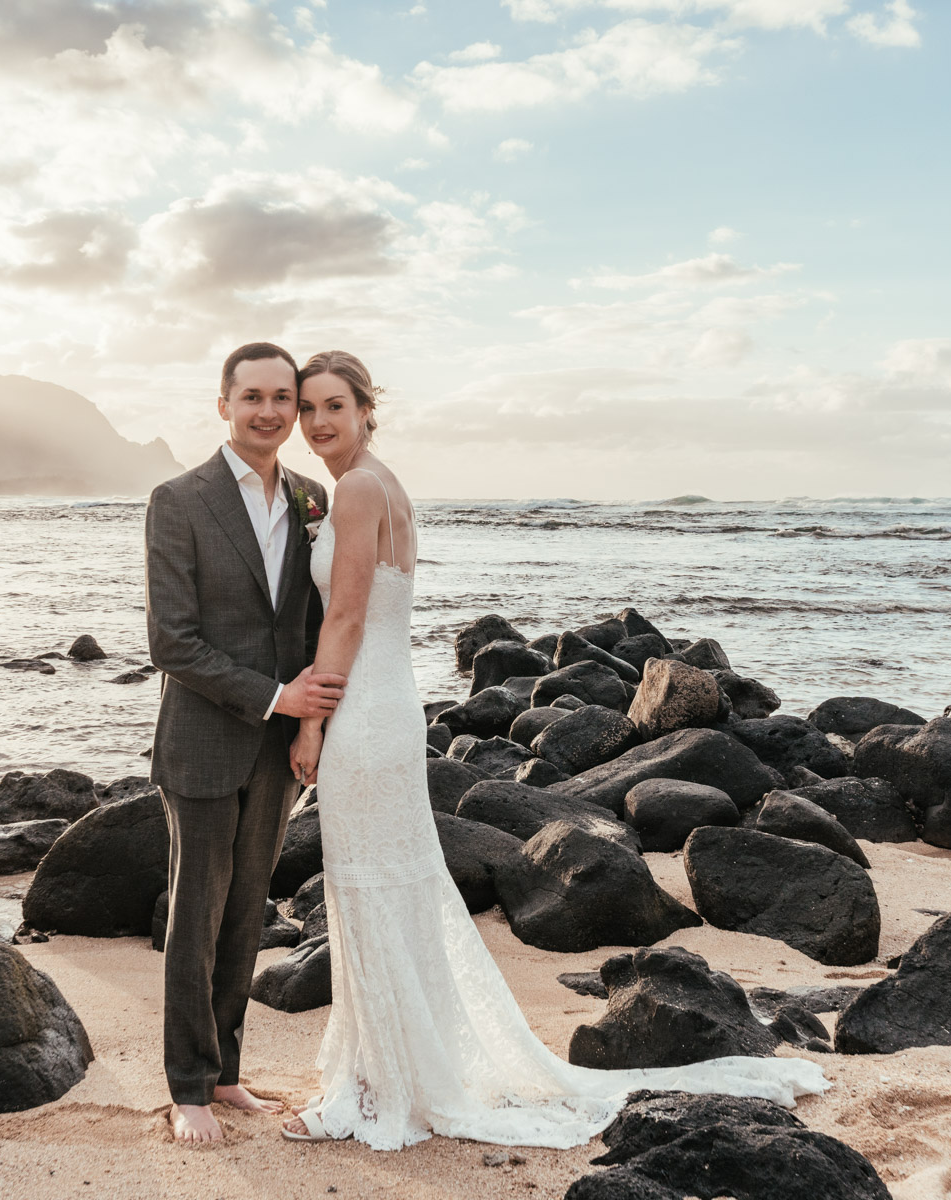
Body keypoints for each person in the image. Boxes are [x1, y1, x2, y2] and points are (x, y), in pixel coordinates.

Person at [279, 350, 828, 1148]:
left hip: (362, 708)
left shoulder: (359, 488)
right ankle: (387, 1071)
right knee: (385, 886)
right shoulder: (384, 482)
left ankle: (377, 1090)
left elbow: (348, 619)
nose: (318, 423)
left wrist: (309, 720)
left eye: (334, 405)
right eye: (308, 410)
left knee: (369, 887)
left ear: (367, 409)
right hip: (387, 702)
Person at [143, 341, 344, 1144]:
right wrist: (273, 696)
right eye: (252, 396)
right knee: (197, 911)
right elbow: (171, 640)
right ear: (222, 404)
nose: (270, 411)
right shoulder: (178, 499)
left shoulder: (310, 497)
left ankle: (225, 1074)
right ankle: (185, 1086)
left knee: (246, 913)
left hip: (276, 752)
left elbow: (306, 623)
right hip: (201, 737)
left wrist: (306, 721)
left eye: (283, 398)